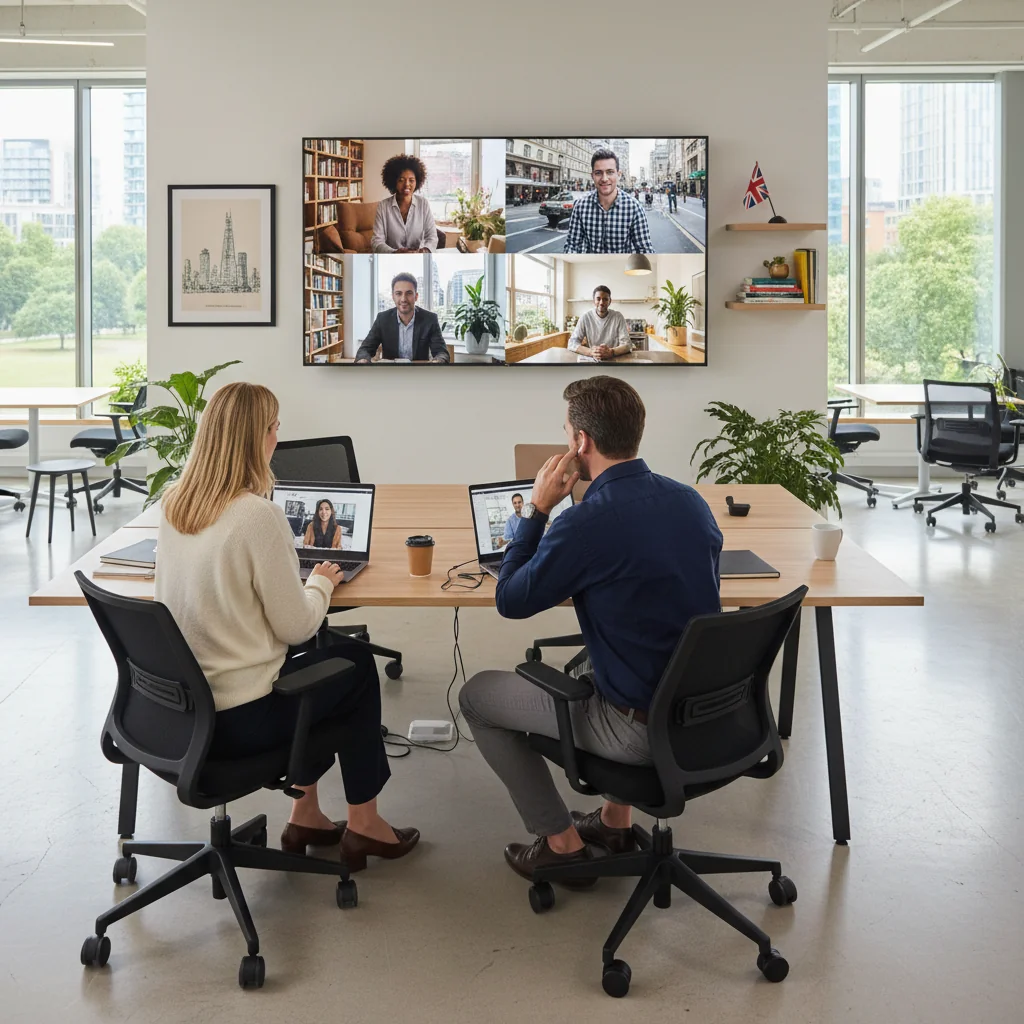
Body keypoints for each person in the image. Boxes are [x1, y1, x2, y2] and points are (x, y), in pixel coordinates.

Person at [459, 376, 722, 884]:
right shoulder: (690, 500)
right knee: (587, 661)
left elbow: (510, 600)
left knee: (477, 697)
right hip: (703, 711)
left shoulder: (583, 523)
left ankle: (561, 845)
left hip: (637, 730)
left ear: (581, 441)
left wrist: (537, 510)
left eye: (566, 431)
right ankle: (613, 822)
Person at [155, 382, 419, 869]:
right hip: (239, 722)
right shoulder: (257, 516)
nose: (279, 437)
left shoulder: (175, 502)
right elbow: (297, 626)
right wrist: (319, 582)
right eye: (274, 428)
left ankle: (308, 815)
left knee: (321, 663)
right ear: (256, 438)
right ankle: (364, 825)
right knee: (356, 664)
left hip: (181, 712)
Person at [563, 148, 654, 254]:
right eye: (598, 173)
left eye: (610, 172)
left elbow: (644, 250)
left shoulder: (634, 208)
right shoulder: (580, 207)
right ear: (592, 176)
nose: (604, 178)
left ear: (618, 175)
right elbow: (572, 246)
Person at [354, 272, 449, 363]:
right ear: (393, 296)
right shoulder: (382, 319)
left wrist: (437, 361)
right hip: (391, 375)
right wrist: (363, 360)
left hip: (419, 374)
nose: (403, 299)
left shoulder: (430, 319)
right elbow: (365, 349)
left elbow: (441, 352)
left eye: (409, 293)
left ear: (416, 296)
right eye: (399, 293)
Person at [371, 154, 437, 254]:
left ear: (417, 182)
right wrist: (395, 252)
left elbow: (432, 237)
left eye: (411, 180)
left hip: (417, 259)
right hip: (391, 260)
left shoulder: (423, 204)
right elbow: (376, 241)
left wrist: (424, 251)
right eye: (401, 180)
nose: (407, 184)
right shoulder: (383, 206)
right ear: (394, 181)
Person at [568, 285, 630, 361]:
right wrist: (590, 352)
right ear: (594, 301)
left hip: (614, 360)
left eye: (605, 299)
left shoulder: (618, 317)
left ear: (610, 301)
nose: (601, 302)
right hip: (592, 360)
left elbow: (627, 344)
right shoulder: (585, 317)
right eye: (598, 299)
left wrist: (611, 352)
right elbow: (572, 343)